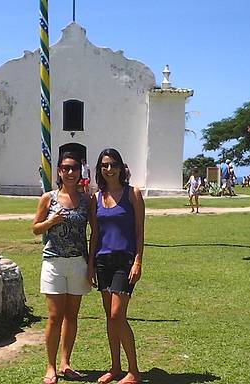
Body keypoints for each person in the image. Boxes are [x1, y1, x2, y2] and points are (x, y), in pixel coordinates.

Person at [32, 152, 92, 384]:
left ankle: (66, 363)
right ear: (59, 171)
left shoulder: (86, 201)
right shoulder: (48, 198)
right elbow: (36, 228)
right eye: (65, 168)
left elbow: (94, 230)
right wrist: (50, 222)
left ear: (80, 172)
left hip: (78, 262)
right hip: (54, 262)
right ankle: (50, 366)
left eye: (74, 168)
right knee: (55, 316)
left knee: (72, 316)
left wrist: (92, 263)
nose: (70, 172)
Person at [88, 148, 145, 384]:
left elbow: (139, 231)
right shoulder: (96, 198)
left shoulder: (133, 194)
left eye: (113, 164)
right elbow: (95, 233)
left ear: (121, 167)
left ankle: (134, 371)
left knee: (117, 315)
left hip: (124, 260)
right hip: (103, 261)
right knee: (109, 318)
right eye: (104, 165)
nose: (109, 169)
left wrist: (138, 261)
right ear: (100, 169)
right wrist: (90, 264)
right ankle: (115, 367)